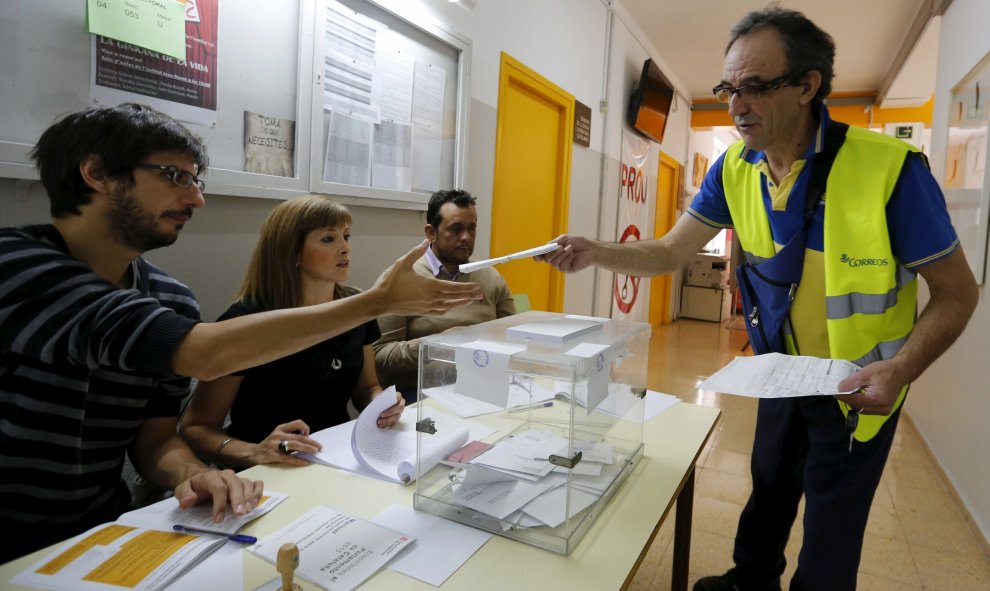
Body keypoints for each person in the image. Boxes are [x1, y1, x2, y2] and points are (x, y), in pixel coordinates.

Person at [537, 7, 978, 591]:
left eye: (755, 86)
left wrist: (901, 369)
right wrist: (596, 251)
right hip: (781, 375)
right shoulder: (733, 170)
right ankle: (750, 582)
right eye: (728, 88)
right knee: (767, 488)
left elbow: (958, 294)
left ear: (807, 86)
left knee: (831, 527)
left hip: (858, 388)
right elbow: (669, 252)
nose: (735, 103)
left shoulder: (889, 171)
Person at [0, 103, 480, 563]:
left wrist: (194, 474)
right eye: (175, 177)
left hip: (105, 527)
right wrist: (376, 301)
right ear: (97, 174)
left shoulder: (170, 298)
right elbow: (202, 355)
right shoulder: (18, 267)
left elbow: (154, 441)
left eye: (196, 180)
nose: (196, 198)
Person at [179, 196, 404, 469]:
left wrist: (380, 403)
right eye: (328, 239)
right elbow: (196, 429)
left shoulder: (354, 307)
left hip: (336, 457)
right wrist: (254, 452)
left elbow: (366, 387)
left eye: (346, 236)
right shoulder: (247, 320)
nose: (345, 248)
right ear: (292, 252)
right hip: (267, 470)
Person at [374, 189, 516, 403]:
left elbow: (511, 339)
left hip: (480, 387)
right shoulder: (401, 279)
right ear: (431, 232)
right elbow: (380, 356)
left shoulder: (490, 278)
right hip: (419, 395)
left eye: (471, 228)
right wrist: (438, 344)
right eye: (456, 229)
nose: (466, 237)